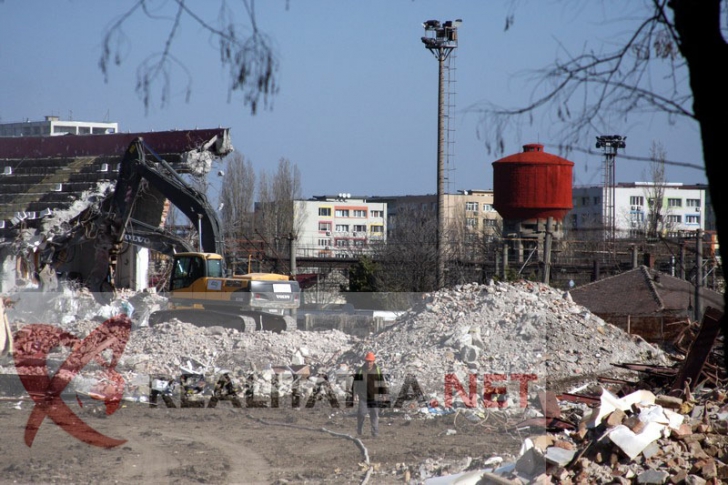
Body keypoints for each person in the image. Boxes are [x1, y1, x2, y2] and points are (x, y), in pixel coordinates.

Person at [350, 351, 389, 438]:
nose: (369, 363)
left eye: (370, 361)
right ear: (365, 361)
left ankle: (374, 433)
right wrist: (355, 394)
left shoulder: (377, 370)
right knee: (361, 414)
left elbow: (381, 382)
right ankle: (359, 429)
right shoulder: (360, 370)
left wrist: (383, 394)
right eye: (367, 361)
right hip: (363, 396)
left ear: (373, 361)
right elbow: (356, 383)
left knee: (374, 415)